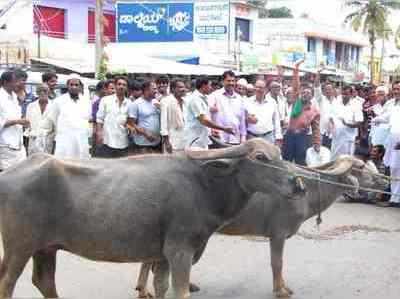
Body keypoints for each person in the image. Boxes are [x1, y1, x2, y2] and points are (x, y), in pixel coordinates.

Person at [40, 74, 91, 159]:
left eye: (76, 85)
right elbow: (52, 119)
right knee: (64, 164)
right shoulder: (59, 101)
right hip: (64, 140)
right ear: (67, 86)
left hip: (81, 140)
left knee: (81, 164)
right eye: (71, 85)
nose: (74, 87)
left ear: (80, 86)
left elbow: (87, 119)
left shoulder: (86, 101)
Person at [282, 60, 320, 166]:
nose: (304, 94)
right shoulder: (296, 102)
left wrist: (317, 144)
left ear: (311, 96)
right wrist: (296, 69)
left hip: (302, 138)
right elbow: (295, 86)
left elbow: (316, 129)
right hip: (289, 135)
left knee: (300, 162)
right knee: (286, 160)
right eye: (303, 92)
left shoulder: (314, 111)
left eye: (308, 93)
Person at [184, 77, 234, 149]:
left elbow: (206, 119)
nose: (211, 88)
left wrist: (211, 130)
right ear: (204, 86)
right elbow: (204, 120)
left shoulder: (204, 98)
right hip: (195, 140)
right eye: (210, 85)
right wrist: (223, 129)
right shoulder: (195, 99)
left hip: (203, 139)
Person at [373, 82, 400, 207]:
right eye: (395, 89)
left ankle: (396, 198)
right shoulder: (393, 104)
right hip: (392, 140)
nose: (396, 91)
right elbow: (387, 118)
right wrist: (377, 120)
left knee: (397, 169)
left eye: (398, 89)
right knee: (394, 168)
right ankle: (395, 199)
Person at [0, 71, 30, 170]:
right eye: (15, 81)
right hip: (5, 147)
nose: (18, 84)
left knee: (22, 175)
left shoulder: (14, 97)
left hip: (19, 145)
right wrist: (17, 121)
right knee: (7, 179)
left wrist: (23, 122)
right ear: (5, 82)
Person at [209, 70, 247, 145]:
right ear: (222, 82)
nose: (231, 83)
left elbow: (242, 120)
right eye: (228, 81)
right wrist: (211, 130)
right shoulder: (214, 96)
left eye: (233, 81)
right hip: (218, 139)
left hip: (235, 139)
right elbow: (207, 115)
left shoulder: (239, 99)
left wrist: (243, 137)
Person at [96, 76, 130, 158]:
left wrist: (130, 127)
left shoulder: (129, 103)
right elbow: (100, 118)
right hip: (108, 140)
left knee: (120, 167)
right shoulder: (105, 100)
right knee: (107, 166)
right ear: (115, 86)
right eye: (119, 84)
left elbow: (129, 121)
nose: (121, 86)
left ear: (126, 88)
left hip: (123, 140)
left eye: (124, 85)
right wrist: (99, 133)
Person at [127, 80, 161, 154]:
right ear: (146, 90)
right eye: (154, 89)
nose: (156, 91)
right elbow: (131, 123)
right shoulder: (136, 104)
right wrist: (146, 134)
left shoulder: (156, 102)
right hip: (143, 144)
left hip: (157, 142)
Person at [330, 85, 364, 159]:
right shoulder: (336, 103)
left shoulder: (356, 105)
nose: (344, 96)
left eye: (346, 94)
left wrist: (347, 124)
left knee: (346, 161)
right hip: (336, 138)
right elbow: (331, 117)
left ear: (351, 95)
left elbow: (359, 122)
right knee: (334, 160)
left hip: (348, 139)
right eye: (343, 94)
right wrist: (332, 126)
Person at [245, 79, 282, 146]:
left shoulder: (272, 102)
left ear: (266, 89)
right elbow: (243, 118)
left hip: (268, 137)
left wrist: (278, 137)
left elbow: (276, 120)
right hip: (252, 137)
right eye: (256, 87)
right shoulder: (247, 102)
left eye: (261, 87)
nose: (258, 89)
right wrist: (247, 118)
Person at [25, 84, 54, 155]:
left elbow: (56, 125)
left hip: (48, 140)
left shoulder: (54, 105)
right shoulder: (31, 106)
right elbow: (27, 124)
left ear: (49, 92)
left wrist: (51, 136)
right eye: (39, 91)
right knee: (33, 164)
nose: (42, 93)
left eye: (45, 91)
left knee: (47, 164)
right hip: (33, 140)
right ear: (37, 92)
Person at [160, 78, 187, 153]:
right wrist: (167, 142)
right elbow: (163, 123)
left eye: (184, 87)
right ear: (173, 89)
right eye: (180, 87)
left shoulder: (185, 101)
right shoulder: (165, 101)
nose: (183, 89)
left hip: (185, 140)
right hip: (173, 140)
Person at [314, 71, 337, 149]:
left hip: (334, 134)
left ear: (334, 90)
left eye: (330, 89)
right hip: (321, 132)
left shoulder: (338, 102)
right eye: (326, 89)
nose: (328, 91)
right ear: (323, 91)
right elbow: (316, 87)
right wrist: (318, 74)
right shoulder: (321, 99)